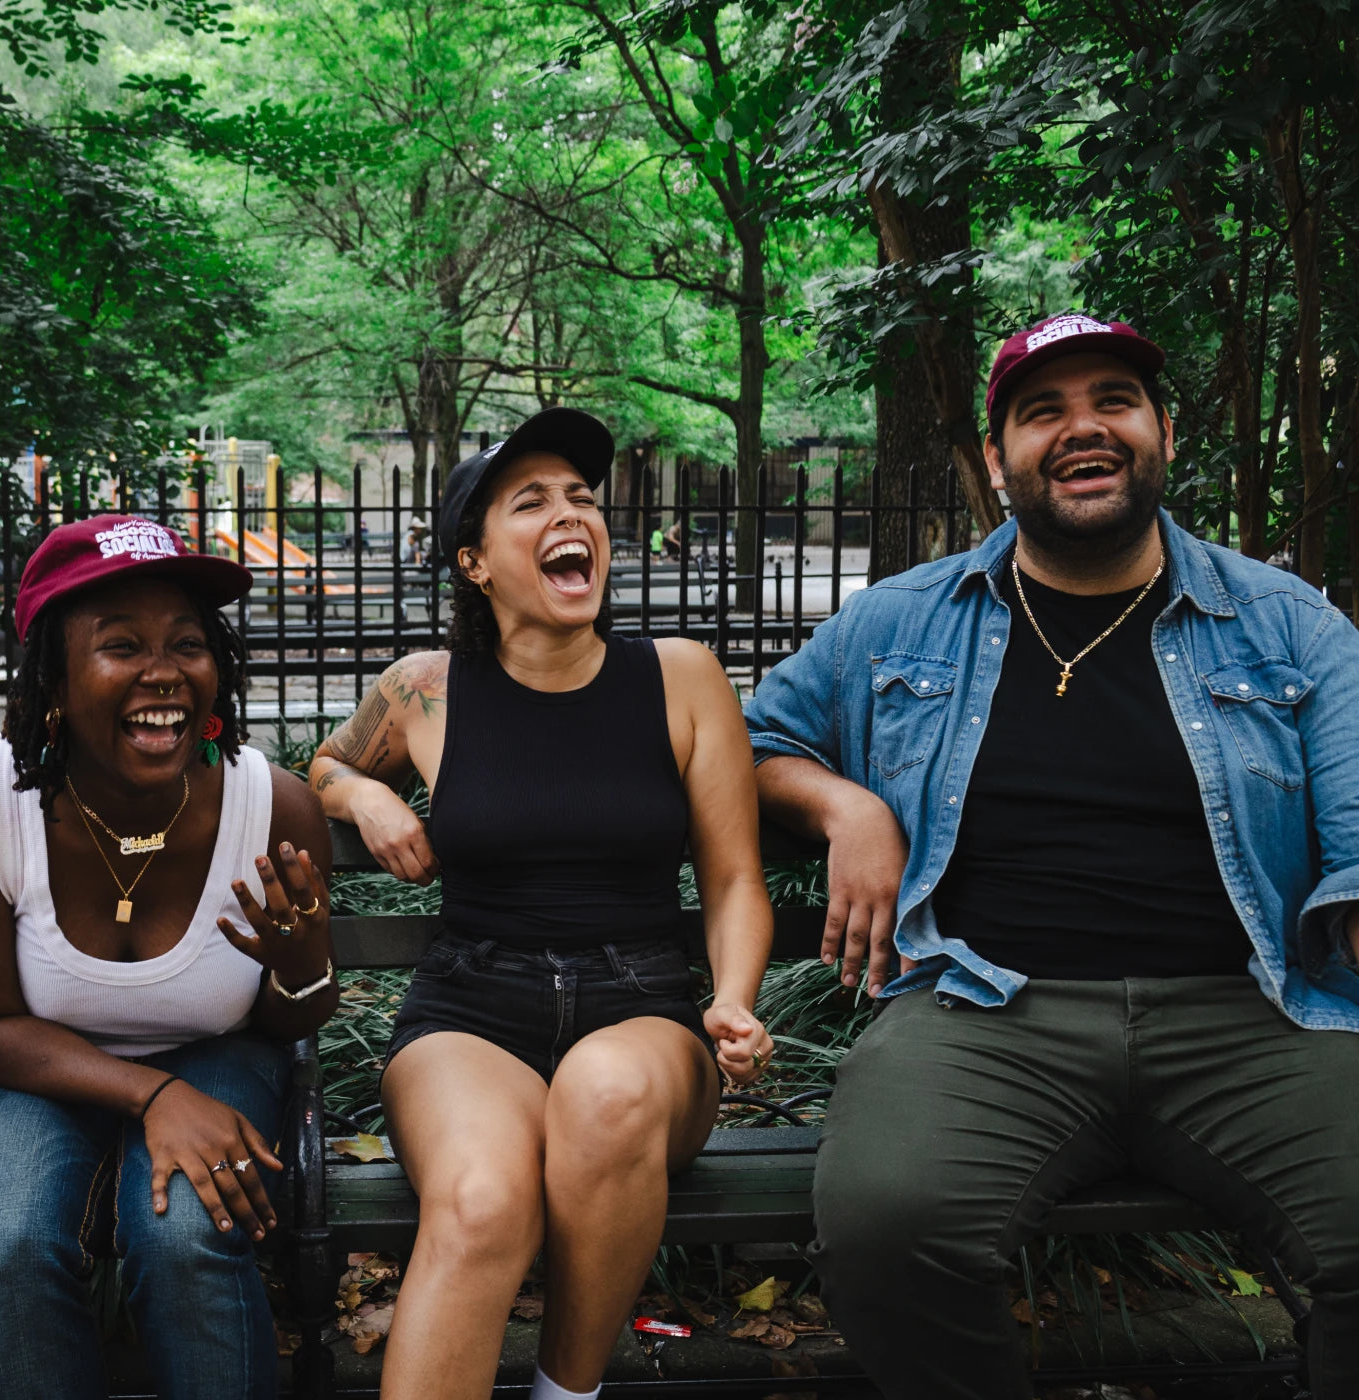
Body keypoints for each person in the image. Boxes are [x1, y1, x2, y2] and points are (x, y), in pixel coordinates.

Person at [743, 312, 1359, 1399]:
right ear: (996, 459)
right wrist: (842, 802)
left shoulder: (1289, 627)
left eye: (1112, 402)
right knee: (888, 1222)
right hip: (982, 1013)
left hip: (1250, 1014)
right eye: (1042, 413)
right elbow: (748, 744)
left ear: (1162, 431)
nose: (1083, 429)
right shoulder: (898, 620)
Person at [308, 406, 774, 1400]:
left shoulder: (681, 676)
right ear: (473, 561)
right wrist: (365, 792)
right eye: (532, 503)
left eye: (581, 499)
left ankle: (567, 1391)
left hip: (642, 1012)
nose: (572, 516)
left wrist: (730, 995)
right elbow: (325, 764)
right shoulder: (424, 690)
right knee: (478, 1200)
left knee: (602, 1093)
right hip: (472, 1011)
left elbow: (733, 875)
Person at [0, 515, 339, 1400]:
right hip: (34, 1067)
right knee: (5, 1242)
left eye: (188, 643)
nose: (164, 671)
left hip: (220, 1056)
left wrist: (301, 960)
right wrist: (156, 1096)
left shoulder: (272, 809)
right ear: (53, 676)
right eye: (121, 645)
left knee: (185, 1232)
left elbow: (294, 1017)